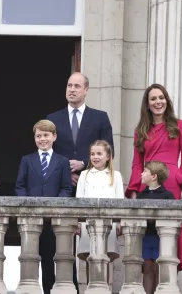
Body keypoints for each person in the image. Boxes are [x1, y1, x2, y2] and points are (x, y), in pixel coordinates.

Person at [46, 72, 114, 290]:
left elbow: (108, 151)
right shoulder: (53, 119)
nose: (72, 89)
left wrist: (84, 166)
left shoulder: (100, 117)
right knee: (57, 244)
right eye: (69, 85)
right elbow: (47, 152)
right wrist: (67, 172)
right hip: (62, 189)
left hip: (92, 187)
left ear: (86, 90)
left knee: (92, 244)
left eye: (77, 86)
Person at [125, 83, 182, 271]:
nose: (158, 102)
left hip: (172, 186)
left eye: (161, 97)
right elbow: (136, 164)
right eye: (153, 99)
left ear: (167, 100)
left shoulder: (181, 125)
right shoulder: (140, 131)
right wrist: (134, 190)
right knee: (148, 244)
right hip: (148, 188)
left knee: (170, 240)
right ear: (147, 104)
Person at [15, 119, 72, 294]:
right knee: (29, 259)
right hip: (31, 220)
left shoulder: (62, 161)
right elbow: (20, 186)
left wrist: (54, 206)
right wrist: (28, 206)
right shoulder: (27, 159)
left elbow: (66, 188)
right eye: (38, 136)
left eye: (46, 135)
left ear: (54, 136)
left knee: (49, 261)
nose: (42, 139)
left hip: (51, 221)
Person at [76, 140, 123, 283]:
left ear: (108, 156)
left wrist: (120, 222)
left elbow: (120, 200)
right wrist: (78, 221)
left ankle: (104, 288)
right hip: (87, 223)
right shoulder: (84, 175)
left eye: (99, 154)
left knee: (106, 257)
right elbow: (79, 199)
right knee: (90, 258)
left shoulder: (116, 175)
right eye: (92, 154)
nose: (95, 157)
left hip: (109, 223)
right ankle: (91, 287)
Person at [136, 161, 174, 294]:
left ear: (154, 176)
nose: (141, 173)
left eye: (145, 171)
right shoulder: (140, 196)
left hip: (161, 238)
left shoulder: (167, 196)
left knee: (159, 269)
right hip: (146, 237)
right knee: (147, 269)